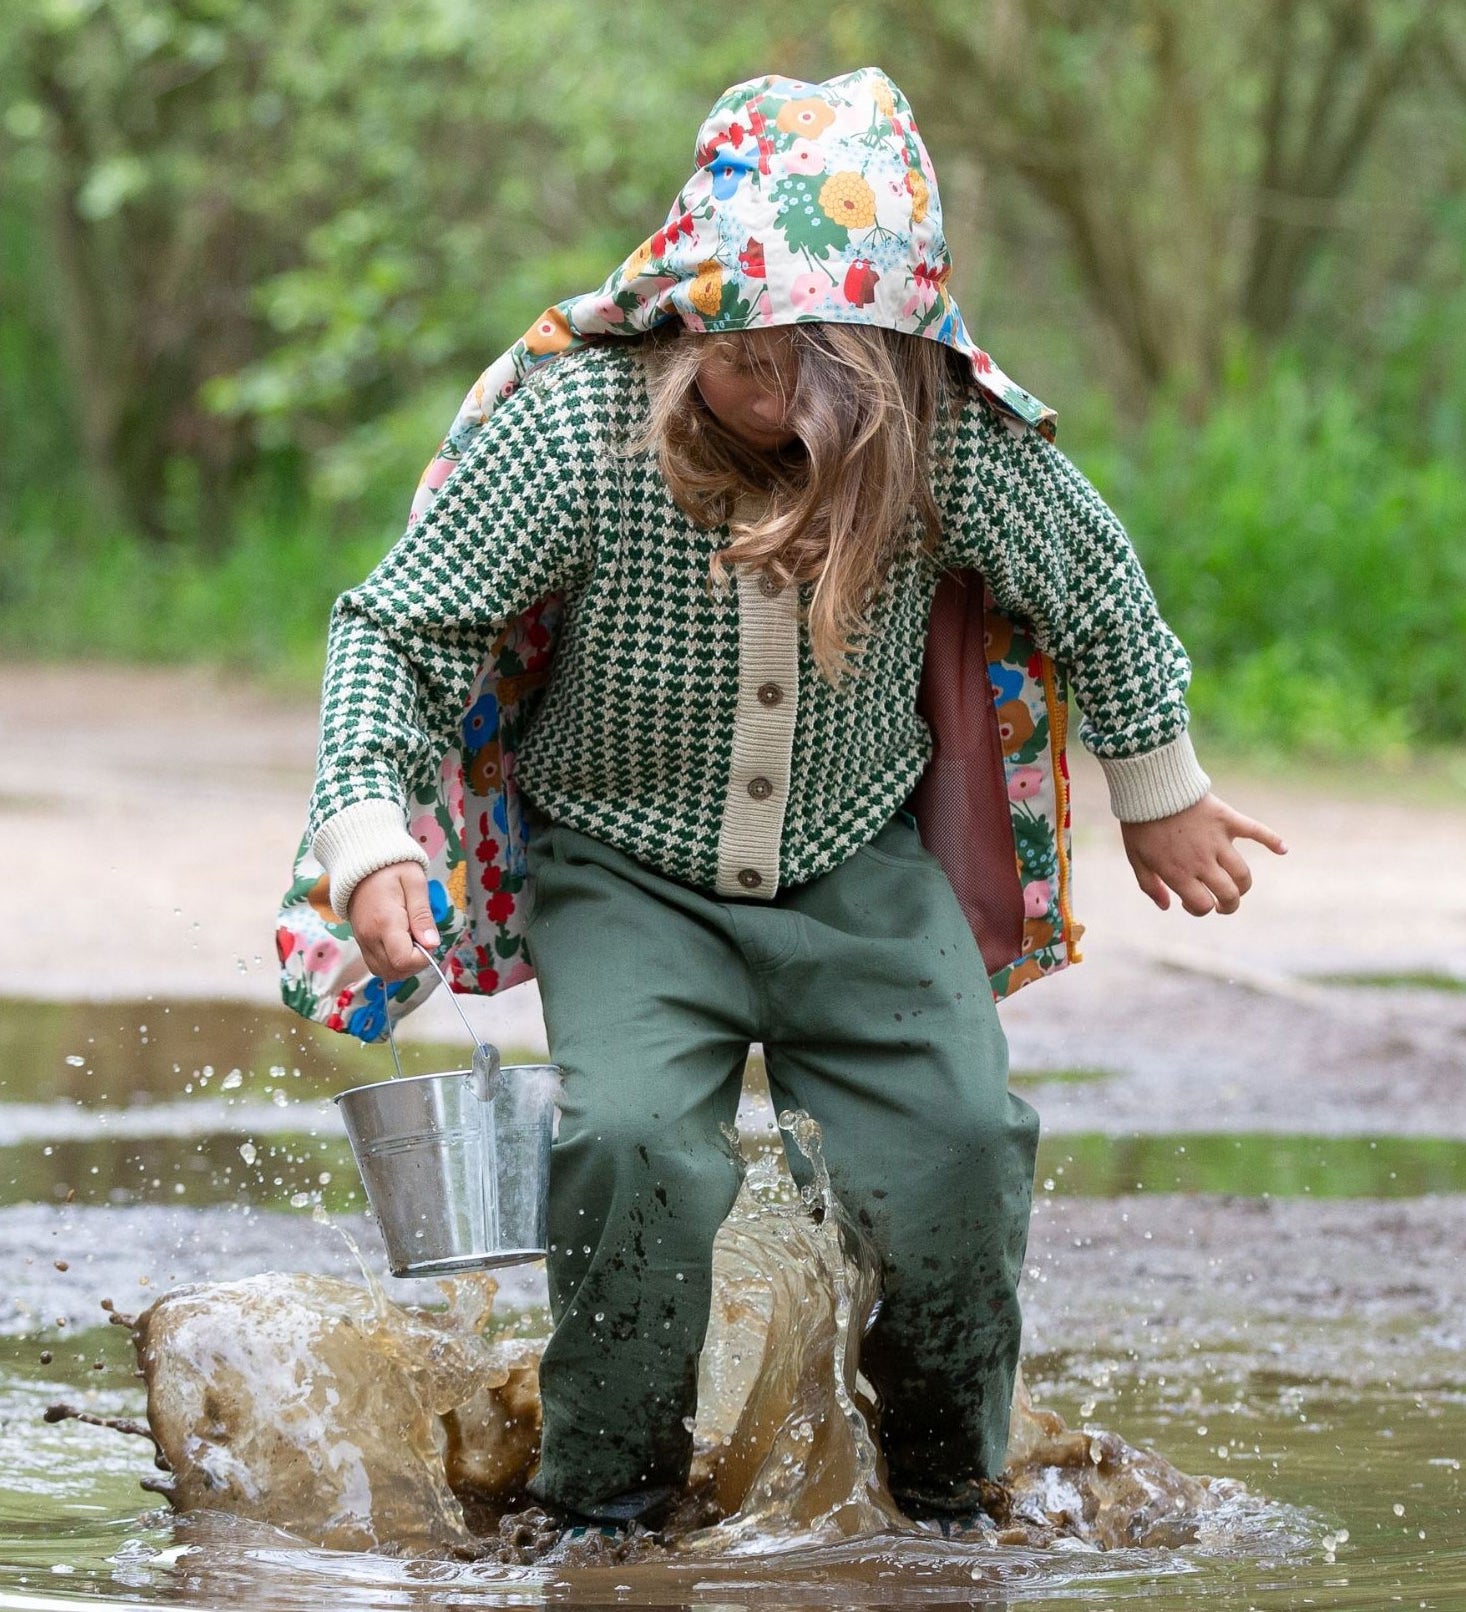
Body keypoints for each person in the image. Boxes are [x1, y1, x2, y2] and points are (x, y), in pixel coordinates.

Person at [301, 67, 1286, 1531]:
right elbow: (402, 626)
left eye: (829, 379)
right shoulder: (582, 431)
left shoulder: (932, 436)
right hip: (625, 870)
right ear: (688, 306)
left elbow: (1098, 592)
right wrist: (369, 828)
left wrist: (1161, 791)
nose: (785, 407)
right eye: (754, 366)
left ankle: (949, 1489)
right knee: (636, 1153)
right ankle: (605, 1507)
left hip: (855, 866)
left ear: (890, 351)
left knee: (952, 1150)